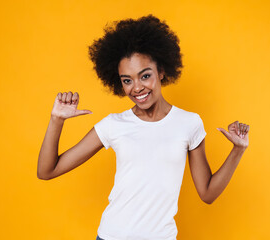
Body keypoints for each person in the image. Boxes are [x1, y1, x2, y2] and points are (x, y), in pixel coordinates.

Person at [37, 14, 250, 240]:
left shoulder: (189, 123)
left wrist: (238, 149)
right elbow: (46, 171)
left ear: (161, 71)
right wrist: (56, 120)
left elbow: (207, 193)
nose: (137, 88)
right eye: (127, 80)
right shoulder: (113, 125)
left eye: (145, 76)